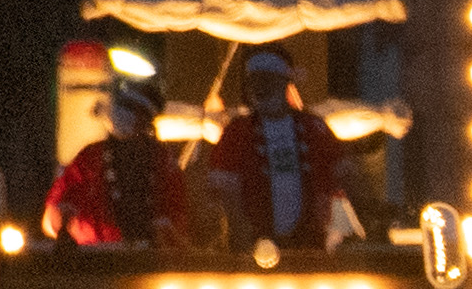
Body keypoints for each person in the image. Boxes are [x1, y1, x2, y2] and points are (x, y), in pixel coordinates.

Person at [197, 48, 363, 252]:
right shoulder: (237, 132)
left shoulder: (314, 128)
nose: (261, 89)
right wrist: (240, 235)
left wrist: (338, 230)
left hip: (311, 244)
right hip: (254, 245)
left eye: (268, 81)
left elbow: (345, 177)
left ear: (285, 83)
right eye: (255, 82)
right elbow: (222, 192)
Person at [38, 77, 184, 247]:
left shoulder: (162, 160)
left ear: (146, 118)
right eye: (120, 105)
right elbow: (55, 210)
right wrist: (60, 217)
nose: (120, 112)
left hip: (146, 257)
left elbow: (178, 215)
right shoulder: (90, 156)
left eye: (130, 108)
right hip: (94, 258)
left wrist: (165, 231)